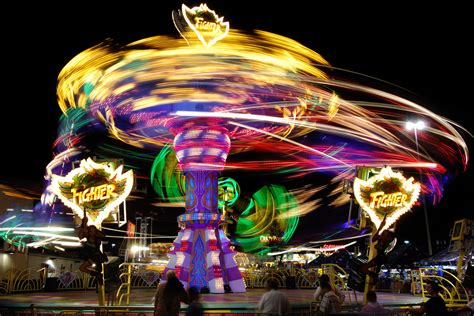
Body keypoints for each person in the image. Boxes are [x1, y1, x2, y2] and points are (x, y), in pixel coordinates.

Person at [361, 215, 396, 287]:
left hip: (381, 258)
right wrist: (379, 229)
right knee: (364, 269)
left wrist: (378, 246)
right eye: (383, 234)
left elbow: (381, 248)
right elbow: (373, 239)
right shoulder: (381, 238)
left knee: (364, 268)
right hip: (379, 258)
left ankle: (374, 276)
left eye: (385, 235)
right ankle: (374, 276)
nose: (383, 235)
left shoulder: (387, 241)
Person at [77, 216, 108, 284]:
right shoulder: (87, 236)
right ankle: (97, 275)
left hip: (96, 256)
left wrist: (96, 232)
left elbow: (103, 236)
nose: (92, 232)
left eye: (93, 231)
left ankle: (99, 276)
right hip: (89, 256)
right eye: (90, 231)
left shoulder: (97, 238)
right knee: (82, 268)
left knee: (99, 269)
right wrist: (83, 224)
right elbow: (80, 236)